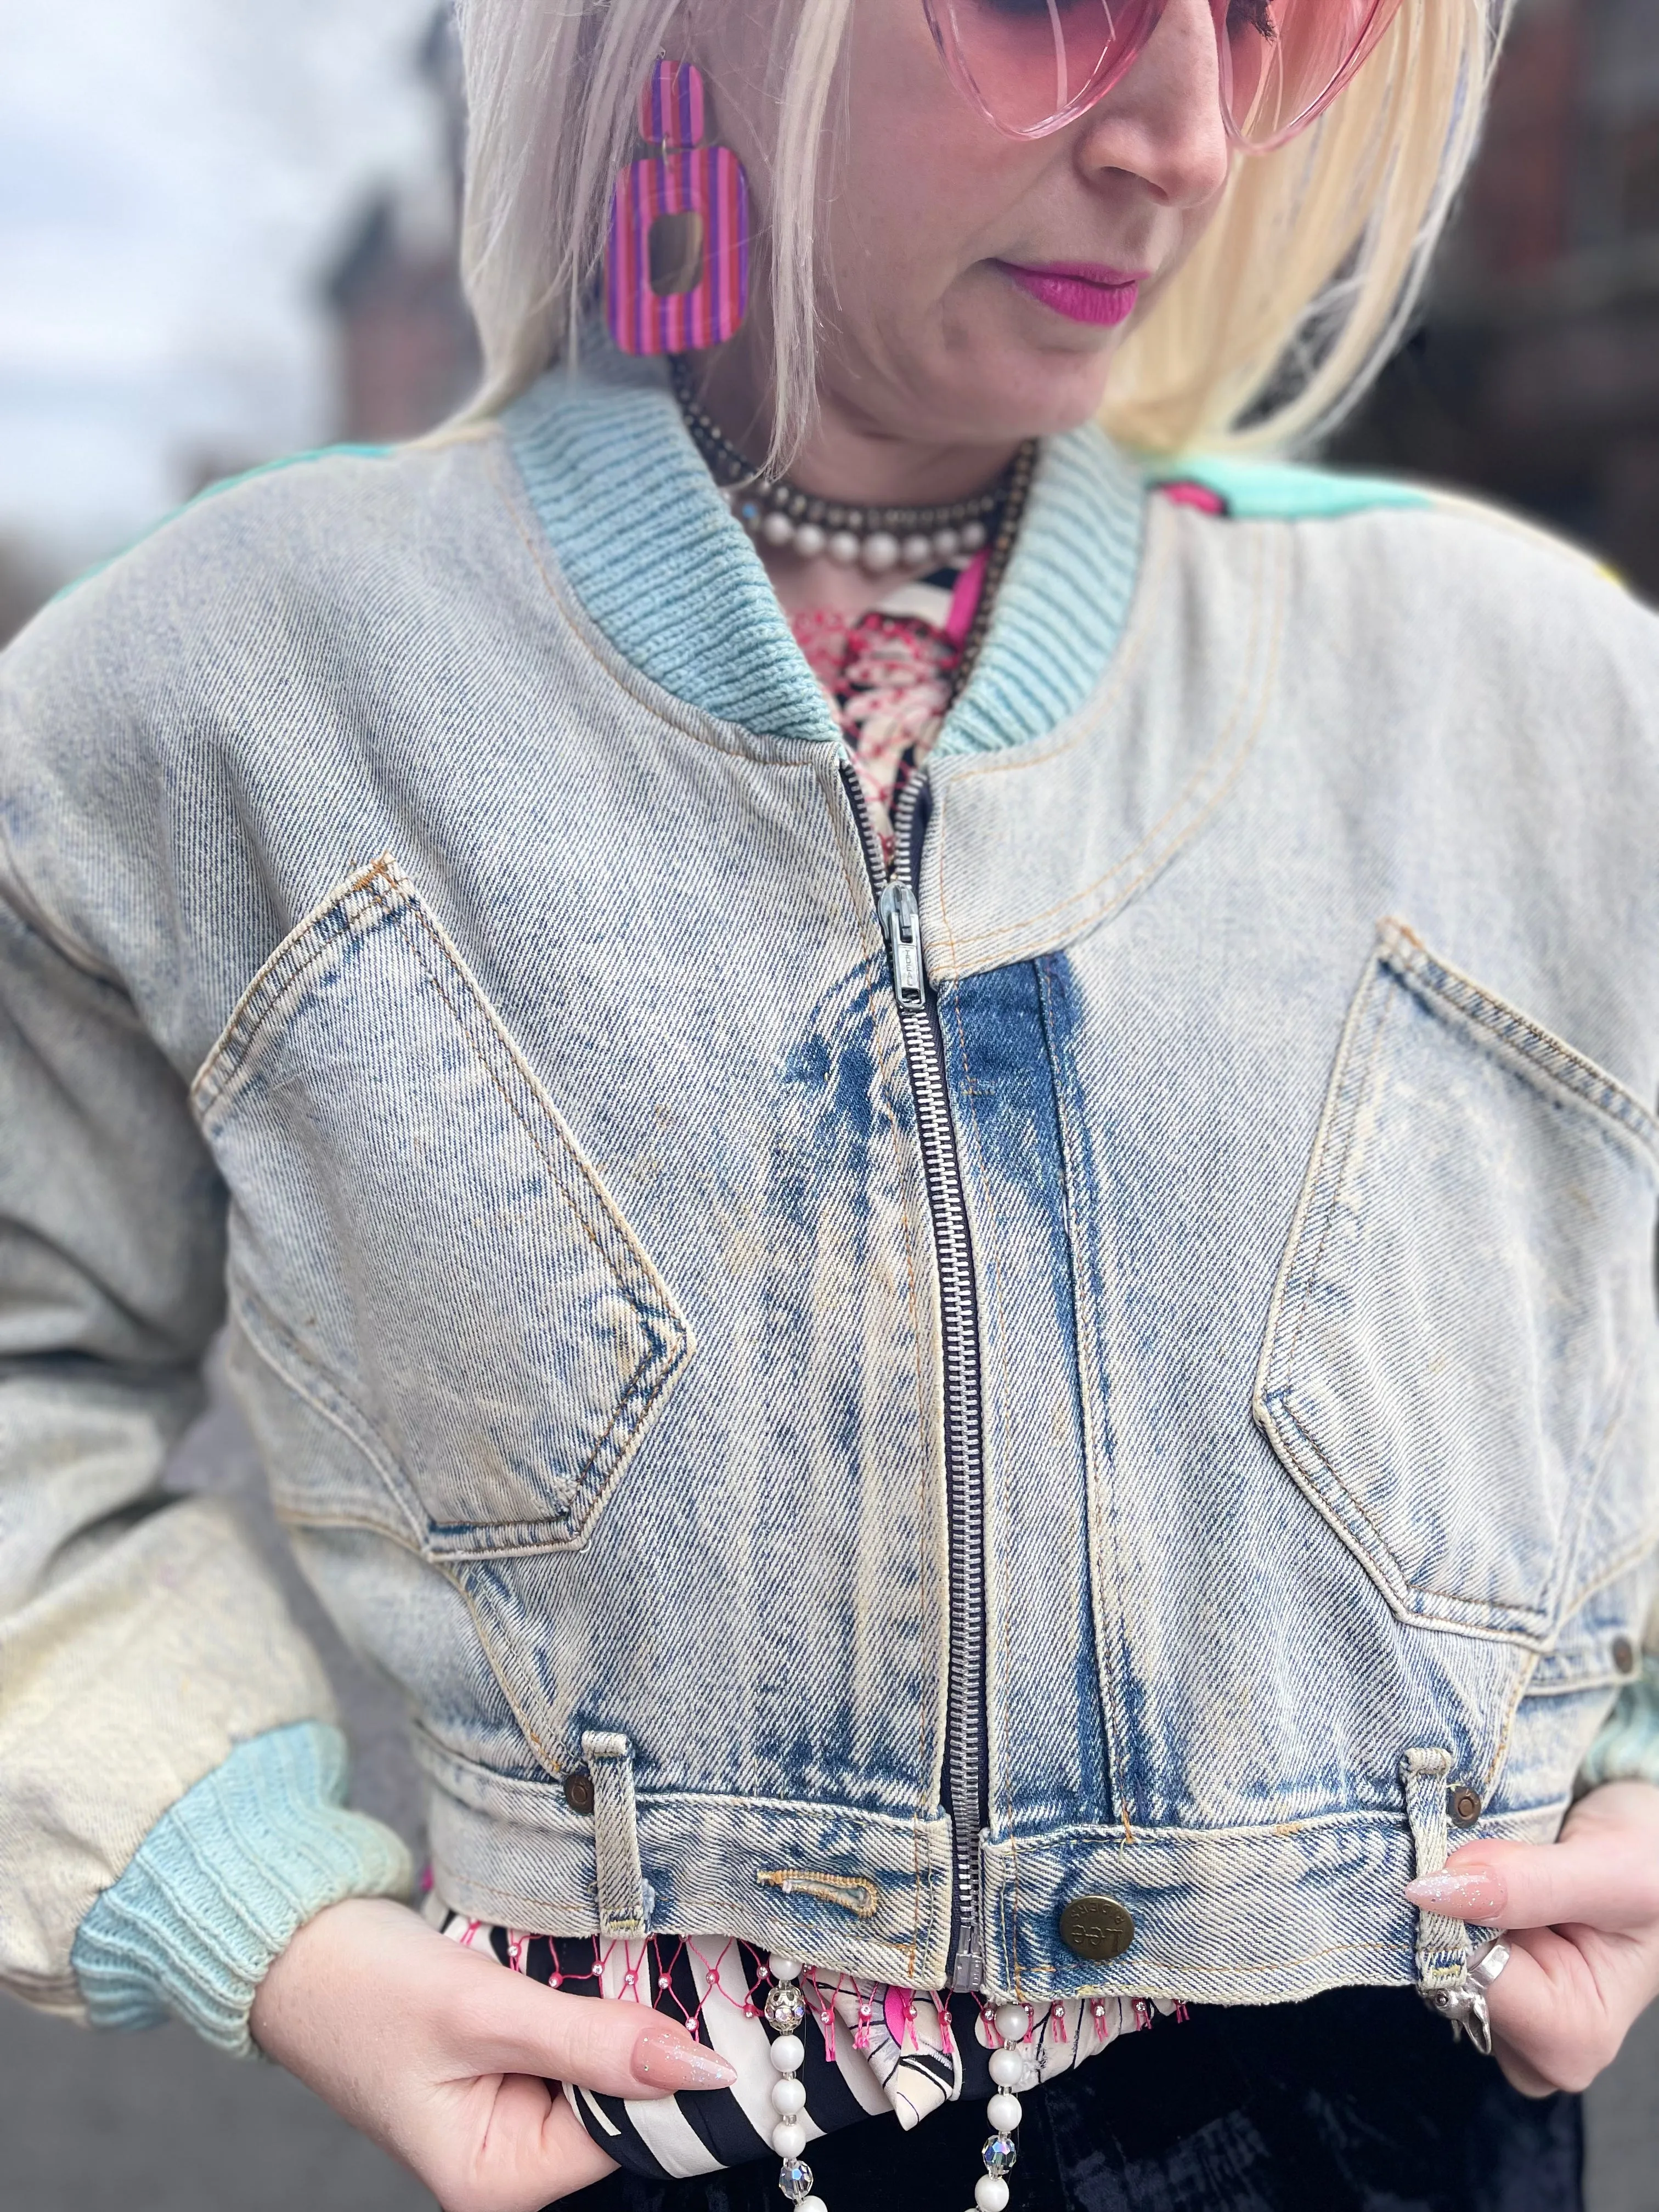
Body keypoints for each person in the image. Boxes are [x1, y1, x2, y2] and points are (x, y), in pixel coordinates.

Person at [3, 0, 1658, 2207]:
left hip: (1401, 2131)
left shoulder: (1521, 684)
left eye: (1277, 22)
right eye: (1054, 1)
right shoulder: (227, 692)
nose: (1182, 135)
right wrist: (251, 1907)